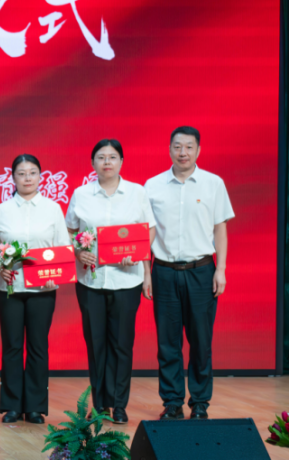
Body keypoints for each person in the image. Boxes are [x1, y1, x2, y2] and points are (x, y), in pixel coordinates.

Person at [144, 126, 233, 421]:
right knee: (167, 342)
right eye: (177, 146)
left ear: (198, 150)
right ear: (169, 149)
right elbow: (146, 233)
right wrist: (146, 273)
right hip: (164, 271)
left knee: (201, 340)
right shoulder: (153, 186)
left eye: (189, 147)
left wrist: (221, 269)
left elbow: (220, 228)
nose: (183, 152)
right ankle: (172, 402)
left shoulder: (213, 183)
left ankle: (200, 402)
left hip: (201, 270)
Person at [65, 139, 155, 424]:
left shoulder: (137, 193)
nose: (107, 162)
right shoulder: (81, 194)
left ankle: (119, 404)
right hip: (90, 281)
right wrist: (78, 251)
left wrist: (140, 258)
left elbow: (149, 230)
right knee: (96, 344)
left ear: (121, 162)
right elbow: (69, 231)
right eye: (101, 157)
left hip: (126, 280)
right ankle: (100, 404)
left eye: (113, 157)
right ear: (93, 163)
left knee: (121, 344)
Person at [0, 154, 69, 424]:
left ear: (41, 176)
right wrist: (0, 265)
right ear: (13, 178)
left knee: (37, 346)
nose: (27, 178)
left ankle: (34, 406)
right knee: (11, 346)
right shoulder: (2, 209)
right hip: (9, 287)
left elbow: (62, 248)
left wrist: (55, 275)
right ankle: (11, 405)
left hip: (43, 289)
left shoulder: (53, 208)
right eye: (21, 173)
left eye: (32, 172)